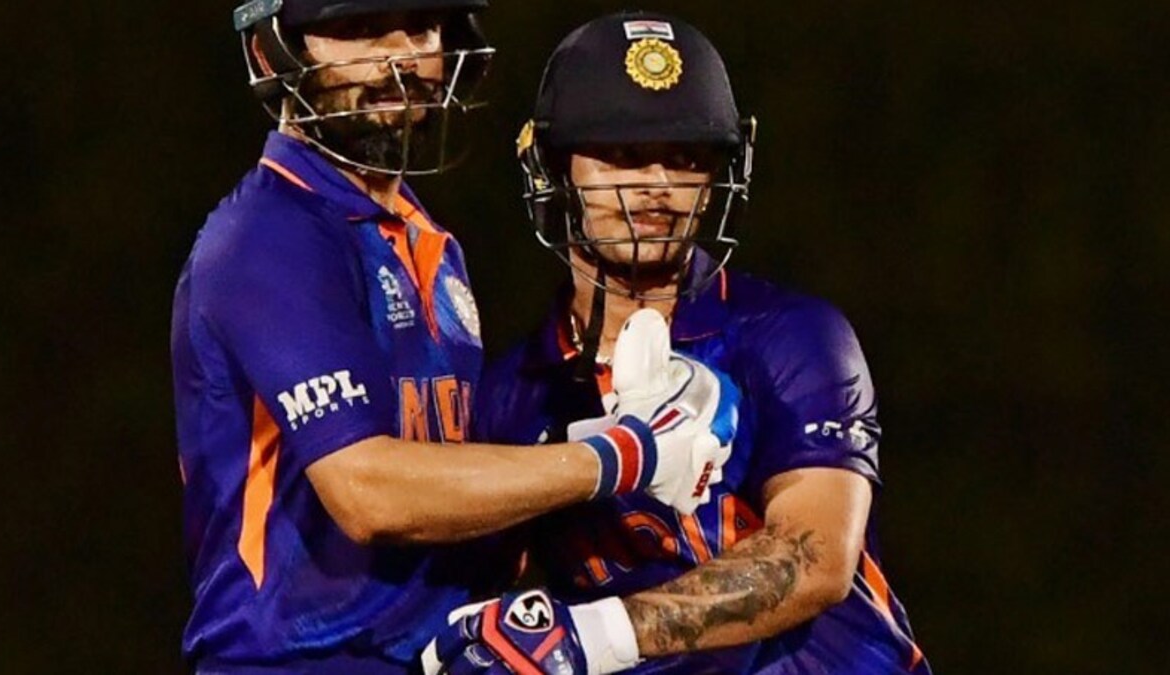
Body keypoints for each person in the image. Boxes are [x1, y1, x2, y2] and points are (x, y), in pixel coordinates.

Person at [171, 2, 736, 672]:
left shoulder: (425, 239)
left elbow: (437, 498)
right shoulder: (269, 235)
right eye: (359, 32)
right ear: (275, 52)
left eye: (421, 28)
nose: (399, 57)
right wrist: (624, 454)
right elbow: (369, 493)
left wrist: (579, 445)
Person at [425, 11, 931, 675]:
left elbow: (814, 556)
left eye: (687, 158)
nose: (658, 185)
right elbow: (470, 592)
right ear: (552, 167)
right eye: (623, 156)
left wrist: (597, 634)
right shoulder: (514, 396)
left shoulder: (790, 334)